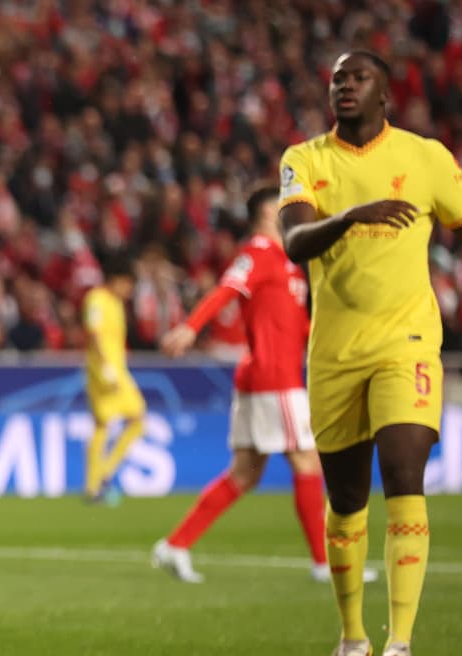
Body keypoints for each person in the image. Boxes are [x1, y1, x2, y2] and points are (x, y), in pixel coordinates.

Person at [279, 50, 462, 656]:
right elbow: (293, 243)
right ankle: (352, 635)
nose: (343, 85)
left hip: (408, 343)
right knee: (346, 500)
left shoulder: (425, 158)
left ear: (384, 94)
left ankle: (399, 640)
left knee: (403, 473)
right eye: (336, 76)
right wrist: (350, 217)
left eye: (356, 77)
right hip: (336, 353)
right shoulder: (304, 160)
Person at [153, 187, 377, 586]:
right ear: (267, 213)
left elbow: (296, 326)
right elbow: (227, 288)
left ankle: (175, 545)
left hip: (266, 377)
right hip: (275, 380)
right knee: (307, 463)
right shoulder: (258, 252)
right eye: (285, 206)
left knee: (244, 474)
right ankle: (324, 562)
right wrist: (191, 326)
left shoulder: (288, 262)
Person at [82, 257, 145, 504]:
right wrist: (105, 367)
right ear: (117, 280)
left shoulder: (117, 303)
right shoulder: (96, 299)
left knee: (137, 419)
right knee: (103, 425)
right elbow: (94, 334)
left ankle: (102, 476)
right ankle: (94, 485)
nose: (129, 290)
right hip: (103, 372)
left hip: (119, 371)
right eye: (128, 284)